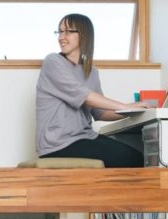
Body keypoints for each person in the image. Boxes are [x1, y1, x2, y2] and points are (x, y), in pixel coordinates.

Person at [35, 14, 149, 168]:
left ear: (83, 34)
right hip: (59, 143)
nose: (62, 37)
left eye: (68, 31)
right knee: (129, 158)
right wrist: (123, 106)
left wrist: (132, 108)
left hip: (84, 137)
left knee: (136, 155)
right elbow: (86, 96)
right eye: (60, 32)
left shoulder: (91, 71)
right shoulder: (53, 62)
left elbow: (100, 113)